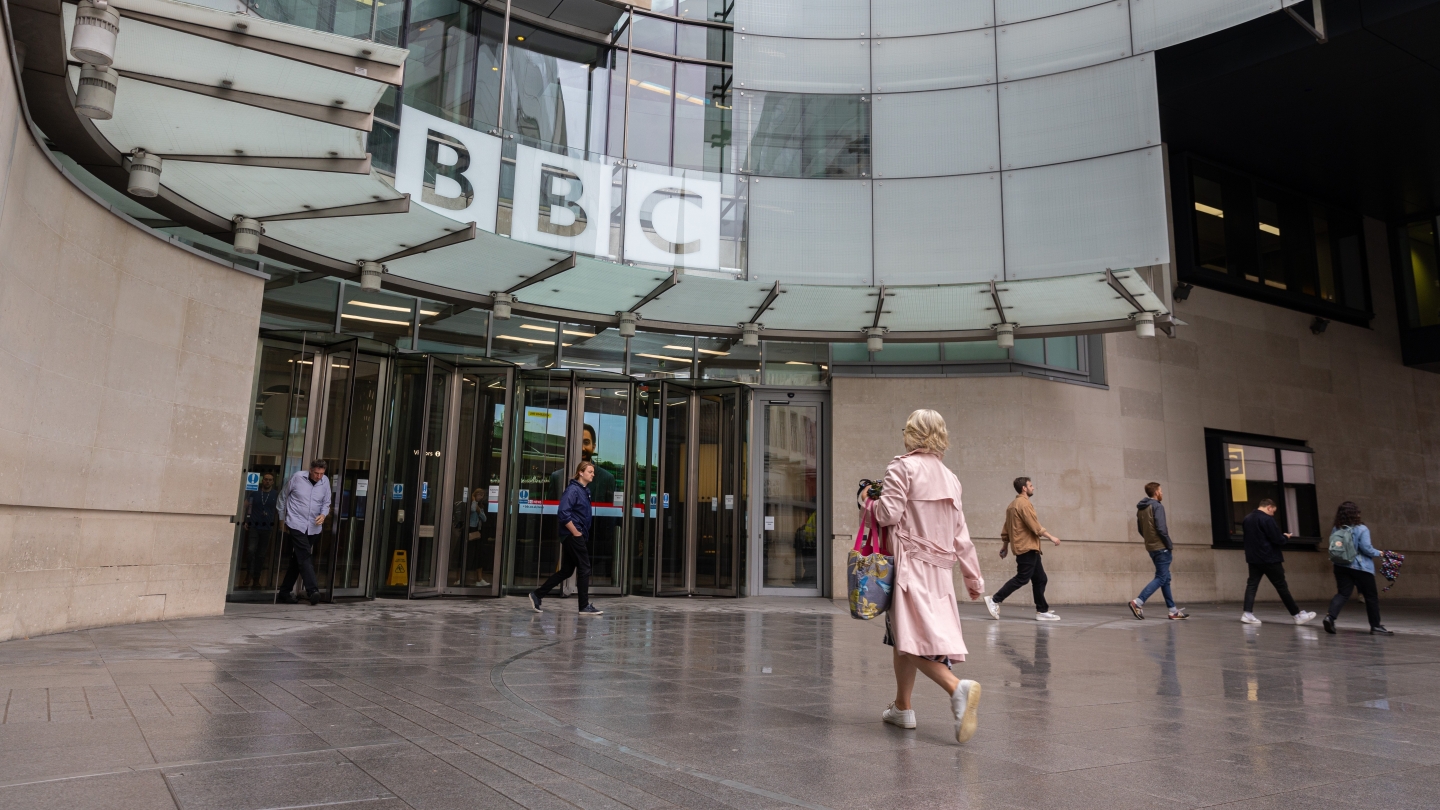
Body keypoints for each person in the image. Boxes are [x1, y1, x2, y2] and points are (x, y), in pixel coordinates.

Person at [869, 409, 985, 744]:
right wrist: (973, 578)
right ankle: (902, 707)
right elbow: (961, 535)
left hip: (909, 568)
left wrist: (866, 502)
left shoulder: (902, 467)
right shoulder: (952, 478)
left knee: (911, 637)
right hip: (940, 572)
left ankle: (956, 688)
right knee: (903, 635)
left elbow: (888, 514)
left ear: (911, 433)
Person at [530, 460, 603, 616]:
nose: (593, 474)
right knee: (585, 568)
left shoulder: (584, 490)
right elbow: (563, 513)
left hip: (575, 535)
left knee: (567, 571)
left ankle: (537, 594)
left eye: (593, 472)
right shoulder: (573, 490)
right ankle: (584, 606)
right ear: (581, 473)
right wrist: (575, 532)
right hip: (572, 535)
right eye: (590, 472)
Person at [985, 477, 1062, 621]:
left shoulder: (1011, 505)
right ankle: (994, 599)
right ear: (1024, 488)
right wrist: (1051, 537)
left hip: (1029, 547)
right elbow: (1035, 526)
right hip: (1027, 547)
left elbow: (1006, 529)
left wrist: (1005, 546)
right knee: (1022, 578)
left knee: (1040, 578)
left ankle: (1042, 611)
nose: (1033, 488)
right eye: (1031, 486)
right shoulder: (1024, 504)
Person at [1241, 498, 1316, 625]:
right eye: (1273, 511)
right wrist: (1285, 537)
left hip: (1253, 558)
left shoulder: (1247, 519)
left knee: (1252, 585)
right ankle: (1297, 615)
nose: (1273, 514)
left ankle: (1247, 613)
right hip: (1270, 558)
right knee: (1281, 587)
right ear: (1269, 507)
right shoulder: (1267, 519)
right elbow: (1277, 539)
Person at [1323, 502, 1392, 636]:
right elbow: (1367, 549)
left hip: (1340, 566)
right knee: (1371, 597)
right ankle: (1375, 626)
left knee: (1342, 594)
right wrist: (1381, 553)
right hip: (1361, 568)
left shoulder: (1336, 528)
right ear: (1355, 514)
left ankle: (1330, 617)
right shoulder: (1362, 529)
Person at [1127, 482, 1188, 620]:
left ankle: (1173, 611)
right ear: (1156, 492)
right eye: (1160, 490)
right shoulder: (1157, 506)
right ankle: (1138, 602)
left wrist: (1150, 540)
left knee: (1165, 578)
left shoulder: (1141, 508)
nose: (1162, 493)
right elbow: (1161, 528)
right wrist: (1168, 544)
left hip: (1151, 547)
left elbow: (1141, 530)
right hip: (1161, 548)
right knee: (1161, 577)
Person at [278, 460, 331, 606]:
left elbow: (326, 503)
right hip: (296, 523)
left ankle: (284, 592)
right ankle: (312, 591)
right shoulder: (297, 477)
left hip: (314, 526)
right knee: (305, 554)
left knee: (298, 559)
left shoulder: (325, 481)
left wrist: (323, 515)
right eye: (316, 473)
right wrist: (282, 519)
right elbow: (282, 497)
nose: (319, 476)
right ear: (310, 470)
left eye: (321, 473)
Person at [242, 473, 279, 588]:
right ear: (262, 481)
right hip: (254, 526)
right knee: (251, 550)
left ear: (273, 482)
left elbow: (279, 510)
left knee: (261, 554)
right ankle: (249, 573)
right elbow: (246, 506)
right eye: (266, 479)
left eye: (270, 480)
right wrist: (244, 520)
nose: (267, 481)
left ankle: (256, 578)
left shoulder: (275, 494)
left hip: (267, 527)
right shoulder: (255, 493)